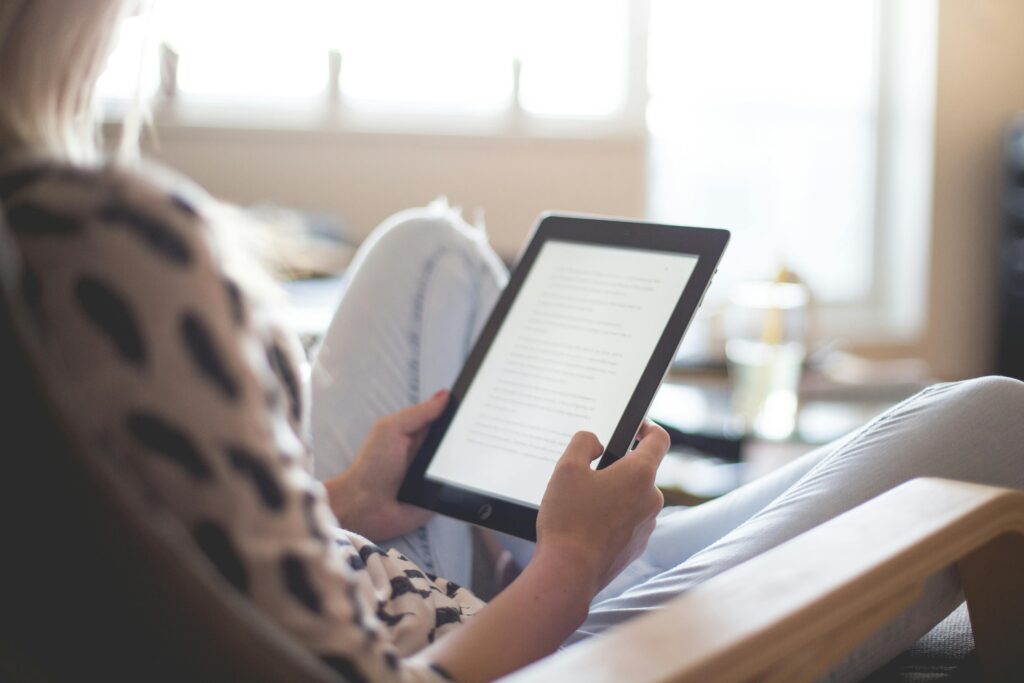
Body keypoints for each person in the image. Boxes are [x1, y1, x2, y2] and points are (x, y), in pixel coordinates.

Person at [1, 2, 1022, 681]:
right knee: (993, 418)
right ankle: (591, 554)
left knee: (430, 249)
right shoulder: (99, 245)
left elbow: (188, 552)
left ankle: (569, 539)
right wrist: (566, 567)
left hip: (379, 567)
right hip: (518, 650)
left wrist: (347, 498)